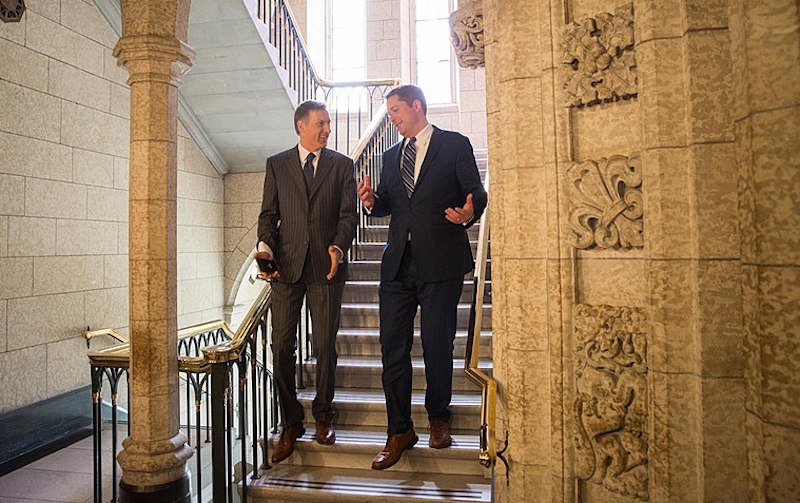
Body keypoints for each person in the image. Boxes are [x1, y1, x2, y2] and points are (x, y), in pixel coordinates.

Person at [357, 85, 487, 470]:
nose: (392, 118)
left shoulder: (455, 144)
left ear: (416, 106)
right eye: (390, 112)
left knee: (437, 344)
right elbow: (388, 204)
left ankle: (438, 418)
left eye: (396, 110)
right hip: (398, 265)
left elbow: (476, 193)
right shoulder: (389, 155)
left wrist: (470, 212)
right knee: (392, 348)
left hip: (441, 263)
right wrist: (370, 201)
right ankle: (399, 430)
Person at [256, 100, 358, 464]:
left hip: (326, 270)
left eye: (328, 123)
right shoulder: (277, 164)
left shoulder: (343, 165)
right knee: (281, 346)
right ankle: (291, 421)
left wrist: (338, 246)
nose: (327, 129)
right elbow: (268, 215)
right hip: (286, 270)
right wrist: (265, 249)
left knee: (324, 346)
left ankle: (323, 416)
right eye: (321, 123)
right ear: (301, 126)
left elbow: (349, 214)